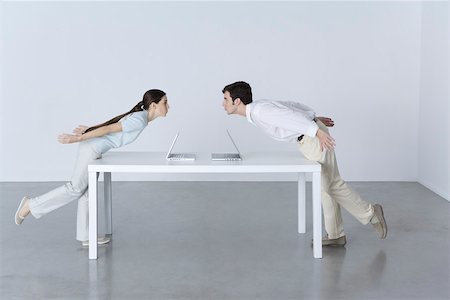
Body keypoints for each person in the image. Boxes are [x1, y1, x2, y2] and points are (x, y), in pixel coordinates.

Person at [221, 81, 387, 246]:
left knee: (332, 185)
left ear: (237, 101)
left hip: (313, 138)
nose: (223, 104)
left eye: (226, 99)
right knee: (326, 187)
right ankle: (336, 235)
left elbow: (290, 116)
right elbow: (290, 106)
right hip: (309, 137)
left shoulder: (260, 112)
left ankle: (371, 213)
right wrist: (313, 119)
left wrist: (316, 131)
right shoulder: (258, 108)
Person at [14, 89, 170, 246]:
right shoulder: (140, 120)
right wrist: (80, 138)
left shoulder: (141, 118)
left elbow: (111, 125)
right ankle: (31, 205)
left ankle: (86, 235)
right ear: (154, 105)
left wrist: (89, 129)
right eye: (165, 102)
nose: (168, 106)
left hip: (96, 149)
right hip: (91, 148)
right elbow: (110, 128)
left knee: (87, 192)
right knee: (75, 189)